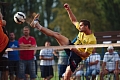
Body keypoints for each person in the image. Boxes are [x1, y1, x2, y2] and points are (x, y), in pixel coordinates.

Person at [30, 3, 96, 80]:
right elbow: (74, 20)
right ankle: (38, 25)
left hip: (77, 56)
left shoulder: (92, 40)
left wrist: (75, 50)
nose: (79, 27)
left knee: (66, 76)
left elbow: (85, 55)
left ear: (86, 27)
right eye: (80, 25)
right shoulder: (81, 30)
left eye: (81, 26)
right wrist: (68, 9)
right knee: (56, 34)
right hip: (71, 46)